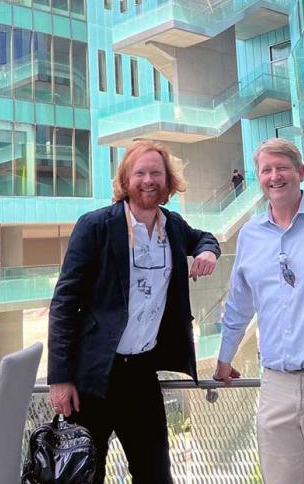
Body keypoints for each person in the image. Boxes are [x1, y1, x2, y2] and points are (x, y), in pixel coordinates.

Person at [48, 140, 221, 483]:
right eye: (139, 173)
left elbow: (205, 237)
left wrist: (208, 252)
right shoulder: (96, 226)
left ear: (168, 181)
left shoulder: (172, 226)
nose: (148, 180)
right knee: (83, 474)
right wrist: (61, 378)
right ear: (126, 181)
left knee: (155, 474)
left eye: (156, 173)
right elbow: (64, 302)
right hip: (94, 375)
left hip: (141, 374)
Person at [214, 139, 304, 484]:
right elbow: (239, 301)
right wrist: (225, 356)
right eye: (266, 170)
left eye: (282, 168)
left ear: (300, 172)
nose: (275, 176)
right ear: (259, 178)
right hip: (275, 386)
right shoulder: (250, 235)